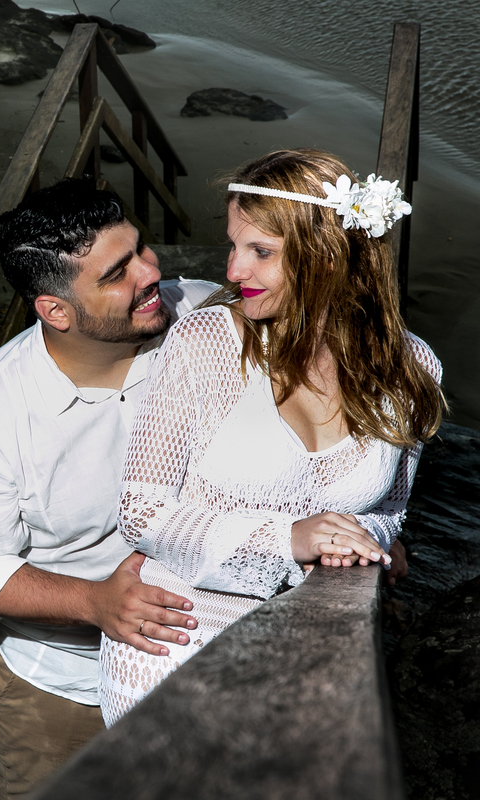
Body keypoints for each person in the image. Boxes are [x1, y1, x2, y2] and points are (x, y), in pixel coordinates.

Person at [98, 149, 443, 725]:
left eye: (261, 252)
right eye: (234, 246)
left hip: (312, 643)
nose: (234, 271)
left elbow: (388, 510)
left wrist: (355, 547)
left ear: (328, 258)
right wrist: (289, 537)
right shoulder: (205, 342)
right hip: (176, 633)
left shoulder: (413, 369)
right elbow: (141, 512)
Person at [0, 178, 218, 800]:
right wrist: (95, 604)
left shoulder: (201, 319)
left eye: (141, 249)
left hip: (206, 657)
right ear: (55, 310)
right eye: (117, 272)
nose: (150, 273)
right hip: (62, 685)